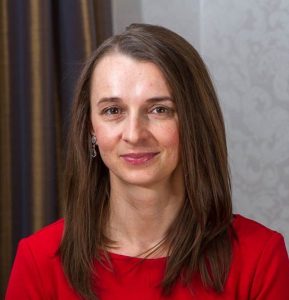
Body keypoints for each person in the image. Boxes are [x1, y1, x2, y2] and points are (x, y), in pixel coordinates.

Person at [5, 23, 289, 300]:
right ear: (91, 128)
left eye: (159, 109)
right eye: (113, 110)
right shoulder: (39, 259)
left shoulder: (260, 256)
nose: (134, 134)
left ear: (194, 121)